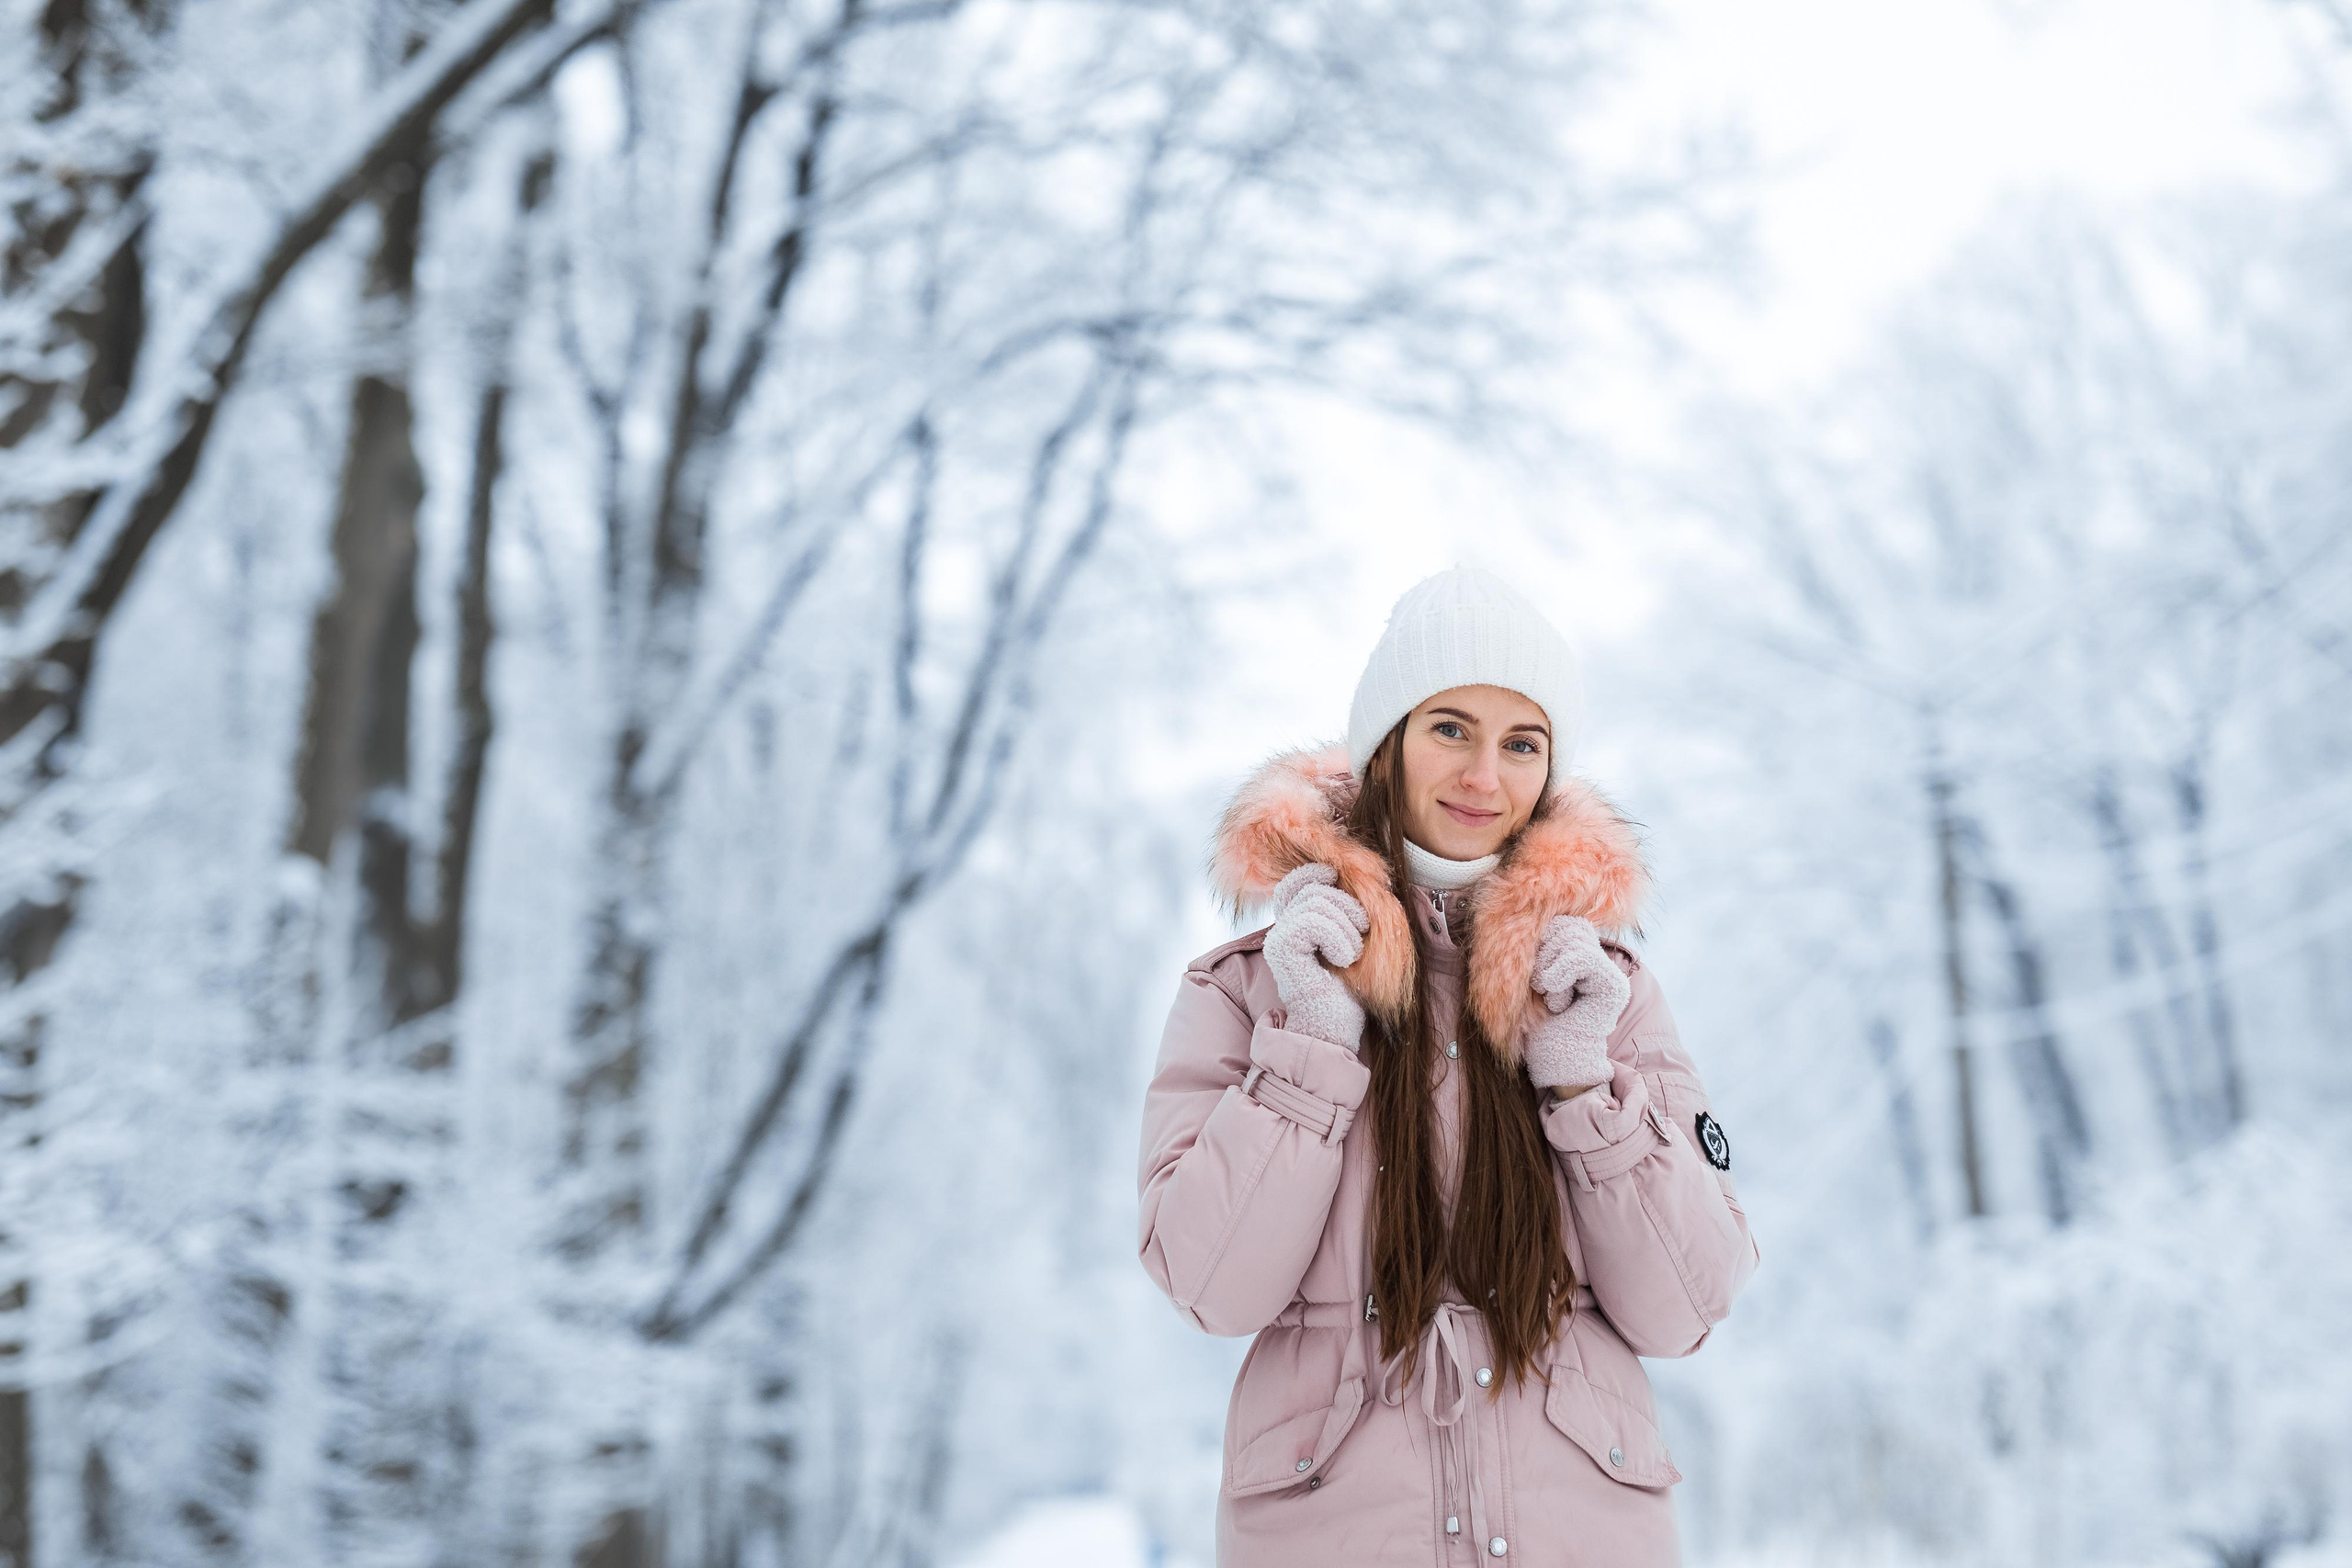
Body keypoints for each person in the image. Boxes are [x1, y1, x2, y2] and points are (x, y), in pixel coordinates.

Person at [1138, 566, 1758, 1566]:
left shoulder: (1604, 994)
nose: (1484, 776)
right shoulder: (1247, 993)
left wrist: (1579, 1085)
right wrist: (1309, 1044)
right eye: (1449, 729)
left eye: (1521, 744)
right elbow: (1214, 1287)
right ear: (1387, 744)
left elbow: (1685, 1307)